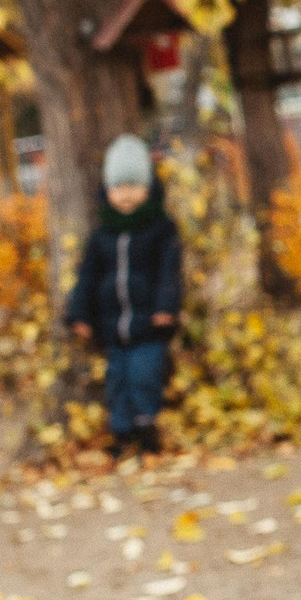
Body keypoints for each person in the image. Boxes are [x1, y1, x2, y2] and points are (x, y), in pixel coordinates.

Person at [65, 134, 182, 457]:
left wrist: (165, 308)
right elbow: (87, 276)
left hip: (148, 326)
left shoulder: (160, 229)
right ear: (108, 191)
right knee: (116, 381)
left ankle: (146, 430)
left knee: (144, 376)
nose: (127, 195)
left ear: (148, 188)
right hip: (111, 327)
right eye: (119, 187)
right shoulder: (103, 233)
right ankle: (121, 432)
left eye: (134, 186)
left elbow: (169, 273)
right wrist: (79, 314)